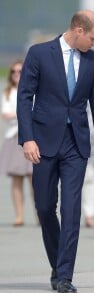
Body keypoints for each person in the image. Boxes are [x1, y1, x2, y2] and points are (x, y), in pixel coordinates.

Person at [17, 10, 94, 293]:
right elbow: (24, 97)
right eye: (93, 38)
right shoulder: (39, 54)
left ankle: (64, 275)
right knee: (45, 208)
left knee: (71, 211)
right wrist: (28, 139)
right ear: (78, 30)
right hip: (43, 142)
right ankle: (58, 266)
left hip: (76, 144)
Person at [0, 59, 34, 226]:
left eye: (20, 72)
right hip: (14, 137)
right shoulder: (8, 92)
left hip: (32, 137)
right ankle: (19, 215)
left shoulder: (33, 90)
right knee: (16, 178)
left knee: (34, 178)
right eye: (14, 72)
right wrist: (21, 113)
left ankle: (39, 214)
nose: (16, 75)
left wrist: (19, 114)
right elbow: (6, 114)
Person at [82, 103, 94, 228]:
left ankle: (89, 214)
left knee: (90, 179)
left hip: (93, 142)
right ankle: (68, 214)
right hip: (71, 138)